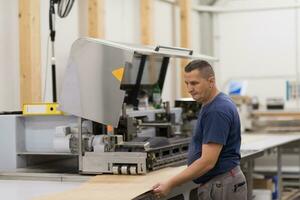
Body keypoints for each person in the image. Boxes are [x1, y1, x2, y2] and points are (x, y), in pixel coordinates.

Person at [152, 60, 247, 199]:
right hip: (220, 182)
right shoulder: (211, 103)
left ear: (211, 81)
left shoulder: (217, 110)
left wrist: (171, 183)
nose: (189, 89)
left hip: (222, 185)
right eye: (187, 84)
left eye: (194, 83)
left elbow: (207, 162)